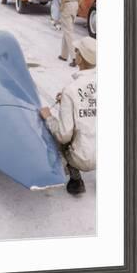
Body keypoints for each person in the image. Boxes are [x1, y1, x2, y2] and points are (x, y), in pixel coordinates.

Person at [39, 36, 96, 195]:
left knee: (55, 128)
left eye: (76, 51)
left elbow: (63, 135)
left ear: (81, 59)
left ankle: (75, 177)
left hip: (83, 158)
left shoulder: (71, 90)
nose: (75, 54)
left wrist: (48, 116)